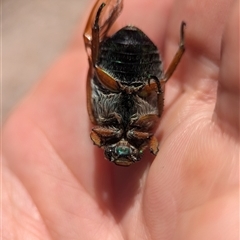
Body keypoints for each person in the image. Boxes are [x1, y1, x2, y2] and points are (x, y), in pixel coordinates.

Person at [3, 0, 239, 239]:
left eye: (114, 153)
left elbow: (93, 88)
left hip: (111, 75)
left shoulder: (100, 125)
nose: (123, 149)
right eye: (131, 154)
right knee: (161, 81)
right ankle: (168, 46)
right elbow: (156, 115)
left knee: (94, 63)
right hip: (144, 76)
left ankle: (99, 26)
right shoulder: (146, 129)